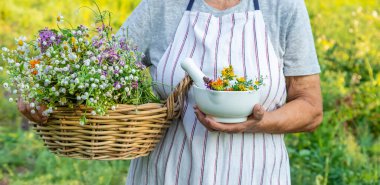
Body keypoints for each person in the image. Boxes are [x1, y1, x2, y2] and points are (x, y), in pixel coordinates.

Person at [19, 0, 323, 184]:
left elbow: (310, 106)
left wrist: (261, 122)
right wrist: (46, 93)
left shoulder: (283, 6)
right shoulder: (162, 5)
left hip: (255, 176)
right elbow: (102, 69)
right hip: (166, 175)